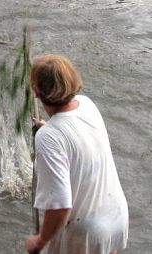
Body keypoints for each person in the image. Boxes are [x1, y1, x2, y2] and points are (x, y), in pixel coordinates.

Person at [24, 54, 129, 254]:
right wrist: (49, 128)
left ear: (37, 93)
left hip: (86, 232)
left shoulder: (48, 137)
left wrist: (40, 240)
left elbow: (60, 206)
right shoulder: (87, 104)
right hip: (116, 216)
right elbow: (74, 136)